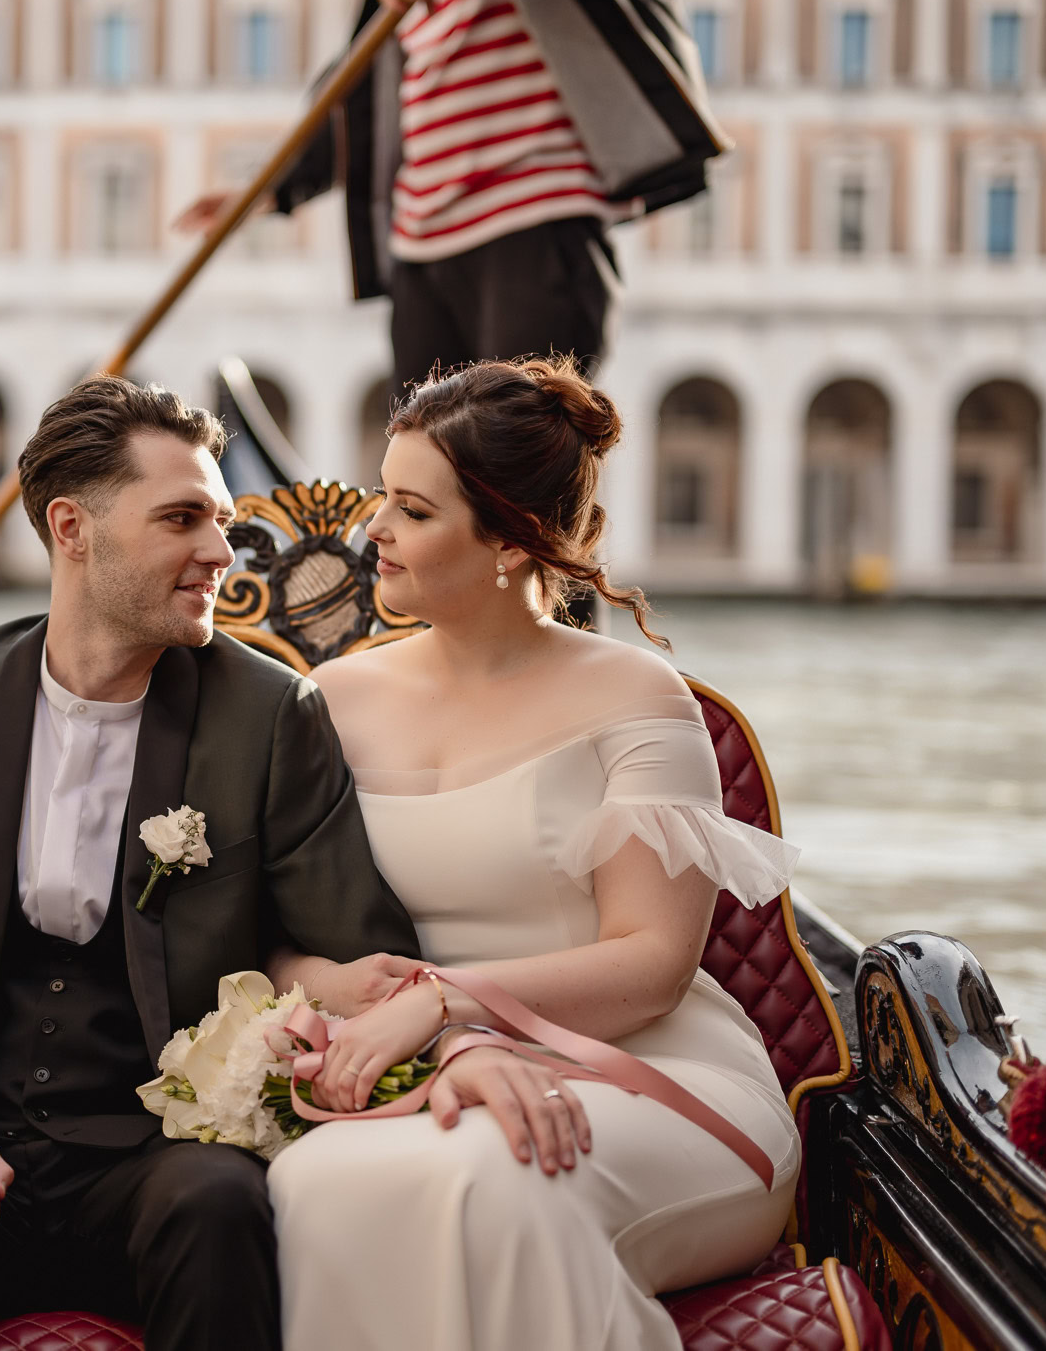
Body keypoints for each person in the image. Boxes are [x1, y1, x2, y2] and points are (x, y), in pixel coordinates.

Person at [0, 376, 423, 1349]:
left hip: (160, 1157)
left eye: (221, 519)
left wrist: (306, 1025)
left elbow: (355, 953)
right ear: (72, 528)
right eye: (181, 518)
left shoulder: (271, 715)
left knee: (215, 1207)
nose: (217, 551)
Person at [263, 355, 802, 1350]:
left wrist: (439, 997)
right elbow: (272, 936)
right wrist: (333, 994)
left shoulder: (635, 699)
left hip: (653, 1072)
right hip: (432, 1071)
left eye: (412, 512)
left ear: (509, 543)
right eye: (381, 496)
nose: (371, 532)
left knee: (494, 1180)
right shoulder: (330, 702)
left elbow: (649, 966)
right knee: (313, 1179)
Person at [176, 0, 726, 395]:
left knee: (522, 462)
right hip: (422, 246)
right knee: (426, 467)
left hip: (537, 217)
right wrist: (266, 189)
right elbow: (360, 101)